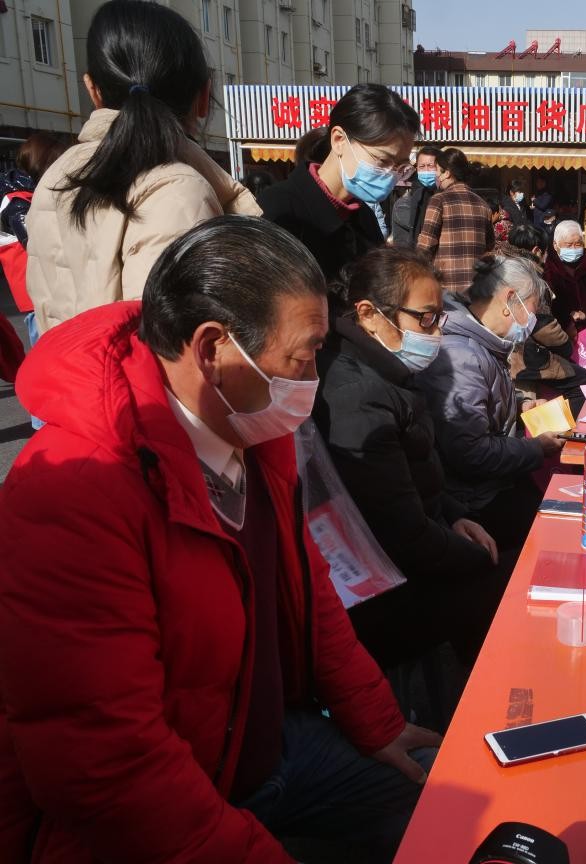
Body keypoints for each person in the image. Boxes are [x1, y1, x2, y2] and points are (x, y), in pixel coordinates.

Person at [0, 216, 440, 863]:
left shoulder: (254, 431)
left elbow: (308, 591)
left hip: (270, 748)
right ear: (213, 349)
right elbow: (108, 766)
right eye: (304, 354)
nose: (314, 376)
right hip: (171, 805)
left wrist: (379, 722)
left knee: (438, 800)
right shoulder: (76, 495)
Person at [314, 246, 506, 670]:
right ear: (368, 315)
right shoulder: (357, 394)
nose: (436, 331)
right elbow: (402, 532)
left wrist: (456, 515)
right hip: (385, 587)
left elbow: (420, 475)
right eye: (425, 317)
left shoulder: (389, 374)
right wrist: (471, 555)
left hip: (419, 545)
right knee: (497, 582)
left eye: (439, 316)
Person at [24, 0, 261, 334]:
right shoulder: (178, 190)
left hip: (66, 380)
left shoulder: (59, 176)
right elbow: (169, 350)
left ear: (92, 89)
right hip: (134, 387)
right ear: (204, 96)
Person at [420, 256, 564, 551]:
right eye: (532, 311)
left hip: (490, 486)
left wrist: (520, 405)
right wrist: (537, 448)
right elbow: (470, 451)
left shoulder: (483, 343)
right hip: (475, 500)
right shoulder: (463, 355)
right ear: (509, 299)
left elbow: (484, 403)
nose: (532, 321)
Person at [259, 84, 419, 281]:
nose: (391, 175)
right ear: (339, 140)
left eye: (400, 167)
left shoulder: (365, 216)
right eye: (383, 160)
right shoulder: (279, 208)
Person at [500, 224, 586, 413]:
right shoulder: (531, 278)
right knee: (584, 381)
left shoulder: (498, 266)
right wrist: (566, 344)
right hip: (524, 355)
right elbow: (544, 326)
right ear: (537, 250)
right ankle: (557, 430)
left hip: (503, 350)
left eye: (578, 244)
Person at [1, 133, 69, 342]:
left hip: (41, 292)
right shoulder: (18, 202)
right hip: (38, 295)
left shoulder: (23, 195)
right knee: (47, 347)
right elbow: (36, 244)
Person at [417, 148, 495, 298]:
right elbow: (490, 245)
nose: (435, 176)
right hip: (477, 289)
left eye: (437, 171)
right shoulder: (483, 204)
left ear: (447, 173)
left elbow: (426, 245)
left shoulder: (439, 200)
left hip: (447, 289)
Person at [542, 220, 586, 348]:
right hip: (559, 338)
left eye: (578, 244)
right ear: (555, 245)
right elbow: (545, 307)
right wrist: (566, 320)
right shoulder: (547, 271)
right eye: (568, 245)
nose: (574, 249)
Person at [391, 145, 441, 248]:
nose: (426, 170)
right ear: (417, 169)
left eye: (431, 166)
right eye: (422, 166)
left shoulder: (446, 197)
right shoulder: (405, 203)